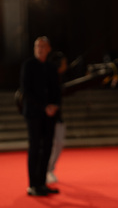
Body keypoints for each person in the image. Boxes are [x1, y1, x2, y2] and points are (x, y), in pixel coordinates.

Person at [20, 36, 61, 196]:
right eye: (37, 46)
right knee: (35, 147)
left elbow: (57, 90)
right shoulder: (28, 66)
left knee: (47, 148)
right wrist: (44, 106)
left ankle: (42, 183)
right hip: (34, 113)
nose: (40, 49)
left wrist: (55, 106)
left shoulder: (51, 67)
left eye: (43, 46)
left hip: (49, 114)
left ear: (49, 49)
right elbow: (26, 91)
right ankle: (33, 185)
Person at [46, 51, 68, 183]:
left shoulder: (60, 78)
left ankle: (50, 168)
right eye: (64, 63)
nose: (66, 65)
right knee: (50, 144)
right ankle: (46, 170)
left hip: (58, 116)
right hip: (48, 115)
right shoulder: (48, 78)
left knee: (59, 143)